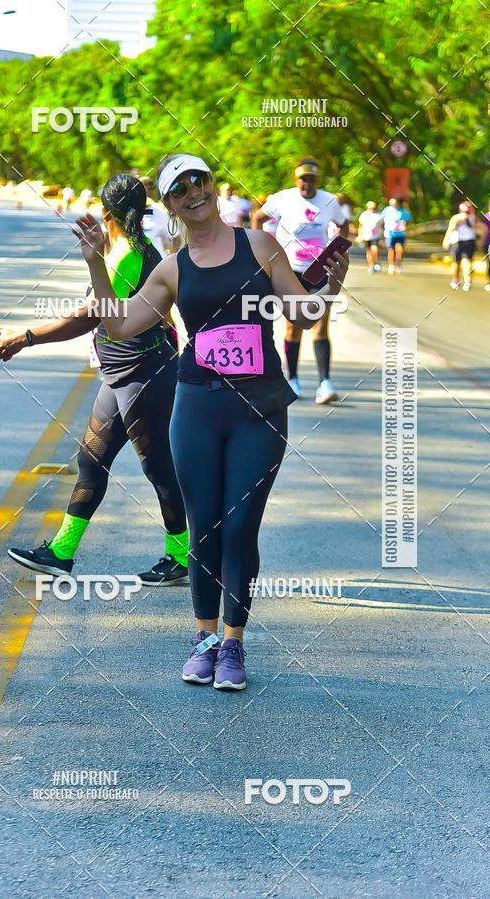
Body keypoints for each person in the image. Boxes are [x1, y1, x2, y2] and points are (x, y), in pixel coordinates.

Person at [72, 153, 349, 690]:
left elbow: (301, 313)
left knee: (241, 526)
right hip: (196, 405)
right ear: (171, 204)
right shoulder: (173, 267)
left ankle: (233, 644)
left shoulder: (260, 246)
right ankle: (203, 639)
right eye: (179, 189)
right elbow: (123, 324)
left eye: (199, 181)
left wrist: (331, 291)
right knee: (205, 527)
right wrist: (95, 264)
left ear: (213, 187)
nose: (193, 192)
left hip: (258, 409)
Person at [0, 174, 189, 585]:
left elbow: (90, 315)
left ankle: (182, 556)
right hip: (119, 374)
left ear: (107, 214)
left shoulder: (130, 257)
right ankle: (61, 553)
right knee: (91, 459)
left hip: (145, 374)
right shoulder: (120, 249)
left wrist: (26, 337)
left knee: (158, 468)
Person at [251, 157, 348, 405]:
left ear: (318, 180)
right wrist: (259, 248)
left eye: (312, 178)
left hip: (319, 269)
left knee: (321, 325)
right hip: (290, 270)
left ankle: (324, 383)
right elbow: (258, 217)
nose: (307, 183)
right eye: (303, 178)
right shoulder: (283, 198)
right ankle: (292, 378)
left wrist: (338, 248)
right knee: (294, 326)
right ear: (297, 179)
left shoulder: (328, 201)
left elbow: (343, 224)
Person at [443, 201, 477, 291]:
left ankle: (463, 281)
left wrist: (446, 240)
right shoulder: (459, 217)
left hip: (464, 242)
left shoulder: (471, 217)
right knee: (460, 262)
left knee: (462, 262)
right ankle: (460, 281)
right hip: (459, 242)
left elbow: (450, 229)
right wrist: (446, 240)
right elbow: (451, 228)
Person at [380, 197, 412, 275]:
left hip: (400, 234)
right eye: (391, 202)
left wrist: (405, 228)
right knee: (391, 250)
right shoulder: (387, 210)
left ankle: (398, 263)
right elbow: (381, 221)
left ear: (398, 203)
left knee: (400, 249)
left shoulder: (403, 211)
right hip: (389, 234)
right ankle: (391, 265)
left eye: (394, 203)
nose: (392, 204)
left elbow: (408, 221)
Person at [358, 201, 383, 272]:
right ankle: (371, 265)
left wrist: (382, 237)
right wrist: (360, 235)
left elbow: (381, 227)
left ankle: (376, 262)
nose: (371, 209)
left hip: (375, 236)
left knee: (374, 249)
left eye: (373, 208)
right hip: (366, 236)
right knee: (368, 251)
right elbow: (361, 226)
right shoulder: (364, 215)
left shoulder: (379, 216)